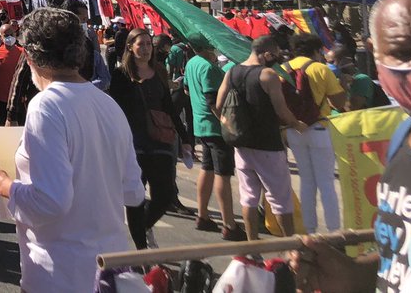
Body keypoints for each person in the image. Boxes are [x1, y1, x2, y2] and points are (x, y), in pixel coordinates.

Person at [0, 8, 145, 293]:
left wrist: (3, 184)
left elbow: (50, 201)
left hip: (60, 273)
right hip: (112, 272)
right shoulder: (109, 106)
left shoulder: (46, 106)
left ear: (29, 58)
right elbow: (133, 192)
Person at [289, 0, 411, 292]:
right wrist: (351, 273)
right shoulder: (403, 133)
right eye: (404, 54)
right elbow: (401, 253)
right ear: (375, 54)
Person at [216, 34, 307, 239]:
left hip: (241, 145)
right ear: (266, 54)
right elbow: (282, 111)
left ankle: (252, 244)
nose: (276, 59)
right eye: (275, 55)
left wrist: (229, 123)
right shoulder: (267, 75)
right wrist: (297, 124)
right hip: (268, 145)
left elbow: (219, 104)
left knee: (248, 197)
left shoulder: (231, 72)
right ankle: (289, 245)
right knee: (280, 198)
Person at [109, 26, 191, 249]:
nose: (145, 49)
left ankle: (143, 227)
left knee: (164, 196)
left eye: (148, 44)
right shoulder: (121, 75)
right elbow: (113, 109)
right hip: (133, 143)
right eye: (140, 44)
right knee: (135, 197)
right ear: (130, 47)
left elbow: (169, 107)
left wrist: (185, 138)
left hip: (160, 140)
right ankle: (141, 249)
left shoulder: (159, 71)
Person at [183, 34, 246, 240]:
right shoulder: (208, 68)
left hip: (201, 126)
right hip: (215, 128)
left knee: (207, 169)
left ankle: (202, 215)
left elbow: (186, 88)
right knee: (223, 174)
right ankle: (229, 224)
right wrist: (227, 123)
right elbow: (213, 101)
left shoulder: (192, 63)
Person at [286, 32, 347, 232]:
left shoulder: (283, 69)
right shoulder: (320, 69)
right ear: (316, 50)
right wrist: (344, 83)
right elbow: (338, 102)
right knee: (326, 182)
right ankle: (334, 232)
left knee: (306, 180)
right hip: (319, 128)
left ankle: (309, 231)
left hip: (294, 130)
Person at [0, 22, 23, 129]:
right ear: (1, 37)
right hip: (0, 100)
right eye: (6, 35)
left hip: (18, 100)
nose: (9, 37)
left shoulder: (23, 53)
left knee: (19, 131)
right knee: (0, 130)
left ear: (16, 34)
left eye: (11, 34)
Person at [332, 46, 378, 111]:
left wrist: (343, 86)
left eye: (332, 62)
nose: (329, 66)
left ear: (346, 60)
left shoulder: (361, 80)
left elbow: (350, 109)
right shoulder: (335, 80)